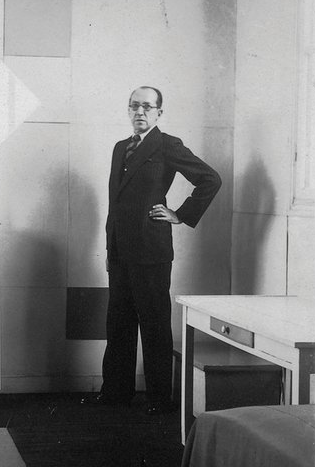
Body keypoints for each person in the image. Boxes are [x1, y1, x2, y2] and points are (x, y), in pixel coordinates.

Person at [82, 86, 221, 415]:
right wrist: (110, 248)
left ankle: (159, 400)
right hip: (120, 252)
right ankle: (116, 393)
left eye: (147, 107)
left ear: (159, 112)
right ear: (128, 110)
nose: (140, 112)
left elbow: (210, 179)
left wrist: (180, 214)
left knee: (155, 326)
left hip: (151, 251)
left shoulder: (167, 145)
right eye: (134, 106)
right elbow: (115, 205)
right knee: (118, 325)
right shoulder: (120, 148)